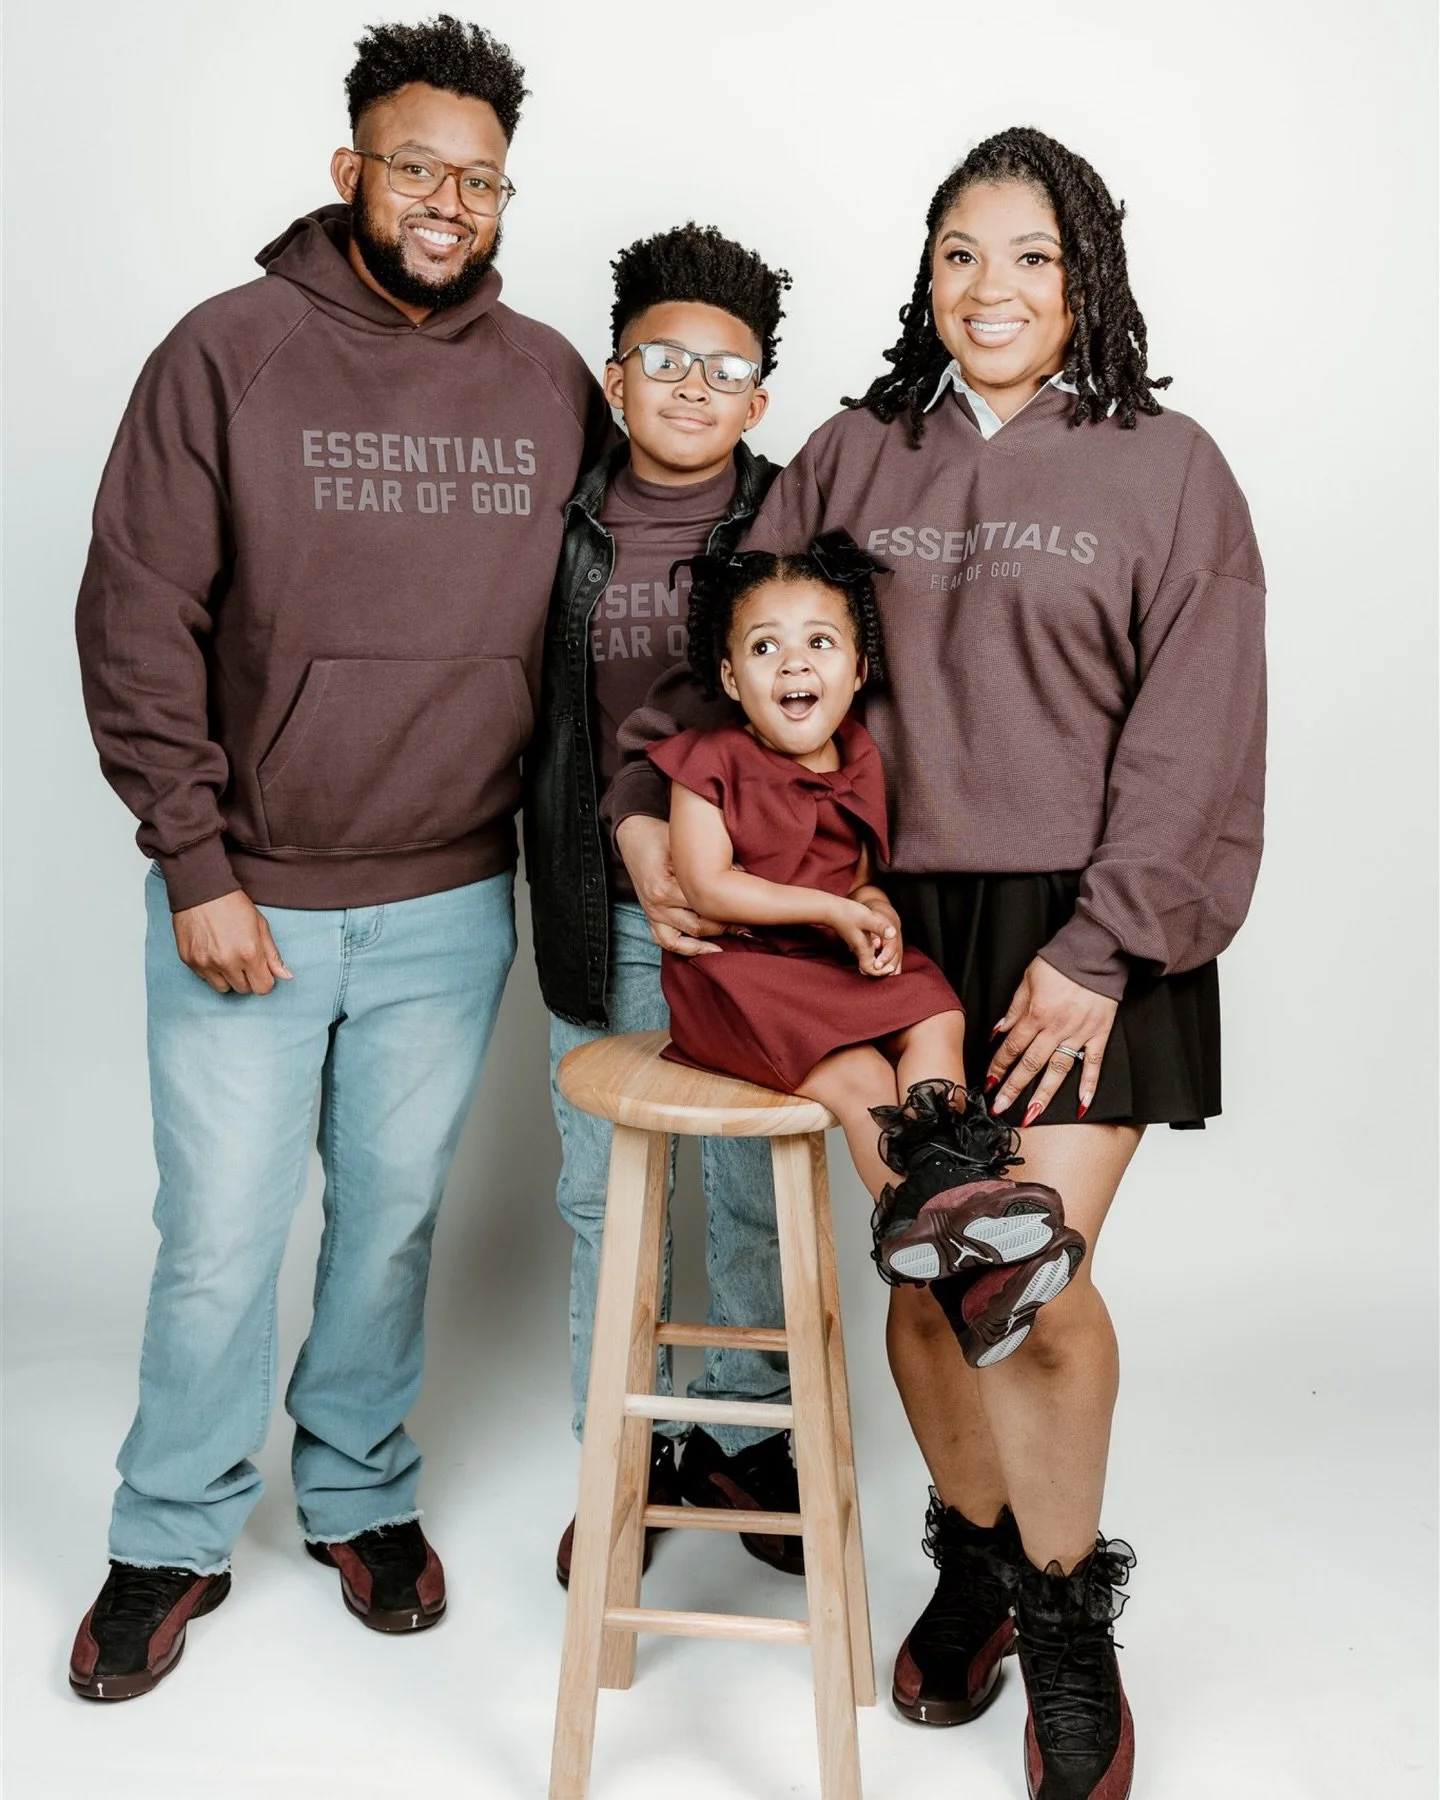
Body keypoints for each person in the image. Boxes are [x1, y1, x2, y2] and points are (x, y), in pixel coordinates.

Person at [604, 127, 1266, 1800]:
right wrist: (639, 807)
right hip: (886, 924)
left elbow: (1197, 737)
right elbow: (731, 647)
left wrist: (1106, 949)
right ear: (924, 274)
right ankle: (971, 1555)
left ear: (1088, 277)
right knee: (929, 1270)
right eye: (961, 252)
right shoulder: (849, 451)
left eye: (1033, 255)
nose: (993, 288)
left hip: (1084, 932)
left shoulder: (1167, 466)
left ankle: (1066, 1620)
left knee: (1028, 1291)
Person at [70, 15, 608, 1701]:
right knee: (222, 1235)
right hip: (254, 896)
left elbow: (622, 600)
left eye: (478, 177)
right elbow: (136, 622)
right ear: (349, 169)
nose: (446, 199)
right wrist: (197, 863)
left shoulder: (545, 382)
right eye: (414, 166)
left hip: (453, 898)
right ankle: (168, 1532)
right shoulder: (224, 355)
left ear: (505, 194)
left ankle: (361, 1494)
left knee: (386, 1226)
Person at [525, 225, 809, 1584]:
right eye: (662, 359)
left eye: (725, 368)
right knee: (603, 1195)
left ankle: (751, 1439)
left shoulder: (792, 524)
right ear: (615, 375)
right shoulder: (558, 519)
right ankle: (618, 1454)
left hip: (754, 912)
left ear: (759, 400)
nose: (691, 387)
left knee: (747, 1189)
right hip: (600, 902)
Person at [649, 534, 1087, 1367]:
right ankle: (971, 1258)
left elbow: (854, 875)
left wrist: (872, 907)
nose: (792, 664)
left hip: (824, 961)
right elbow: (708, 887)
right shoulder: (707, 761)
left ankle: (965, 1219)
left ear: (856, 672)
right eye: (764, 646)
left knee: (935, 1011)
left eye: (819, 642)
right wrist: (831, 910)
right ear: (730, 678)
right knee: (858, 1080)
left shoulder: (858, 757)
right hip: (739, 974)